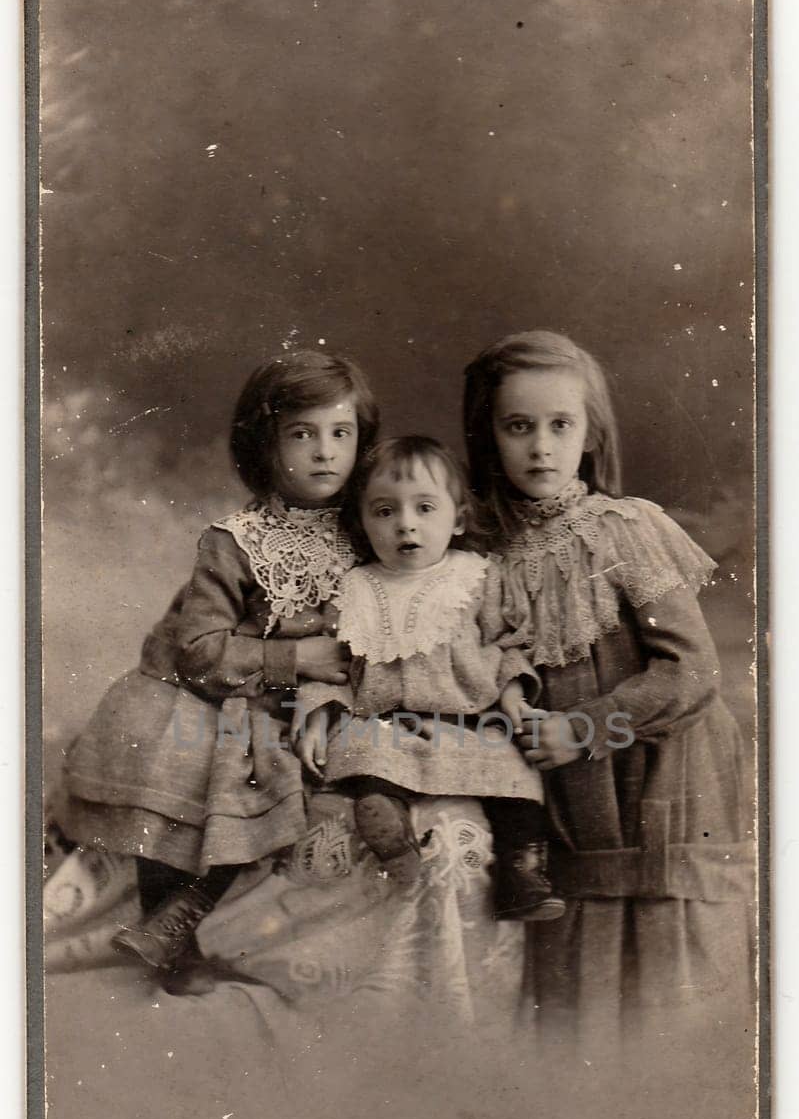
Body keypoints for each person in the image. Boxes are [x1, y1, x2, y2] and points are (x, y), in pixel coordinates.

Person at [52, 347, 379, 978]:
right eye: (302, 434)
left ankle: (184, 920)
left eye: (342, 433)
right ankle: (169, 931)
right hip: (219, 695)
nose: (324, 451)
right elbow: (199, 652)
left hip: (322, 706)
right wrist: (295, 658)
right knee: (179, 762)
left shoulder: (371, 526)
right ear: (265, 444)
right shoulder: (235, 542)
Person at [462, 327, 753, 1011]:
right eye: (517, 426)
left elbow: (690, 670)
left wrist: (582, 727)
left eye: (560, 425)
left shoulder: (621, 531)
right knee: (577, 1005)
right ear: (488, 435)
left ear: (590, 434)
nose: (540, 446)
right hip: (568, 815)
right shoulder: (480, 552)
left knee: (667, 992)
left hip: (654, 786)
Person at [294, 434, 564, 920]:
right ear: (362, 521)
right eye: (385, 512)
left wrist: (514, 692)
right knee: (363, 757)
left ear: (458, 519)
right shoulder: (355, 588)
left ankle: (521, 872)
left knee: (517, 776)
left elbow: (508, 643)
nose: (406, 526)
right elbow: (331, 665)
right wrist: (317, 715)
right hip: (387, 721)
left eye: (424, 508)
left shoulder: (480, 577)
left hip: (472, 718)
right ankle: (391, 833)